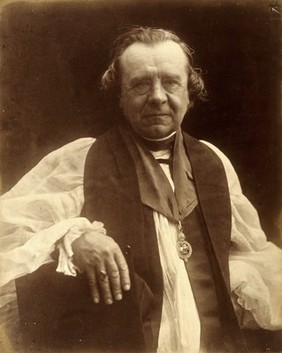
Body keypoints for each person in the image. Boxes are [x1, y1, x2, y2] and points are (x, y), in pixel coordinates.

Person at [0, 26, 281, 353]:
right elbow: (8, 230)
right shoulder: (84, 159)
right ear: (119, 95)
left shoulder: (213, 163)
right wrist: (72, 237)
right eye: (141, 84)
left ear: (189, 92)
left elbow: (250, 250)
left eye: (171, 82)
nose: (158, 97)